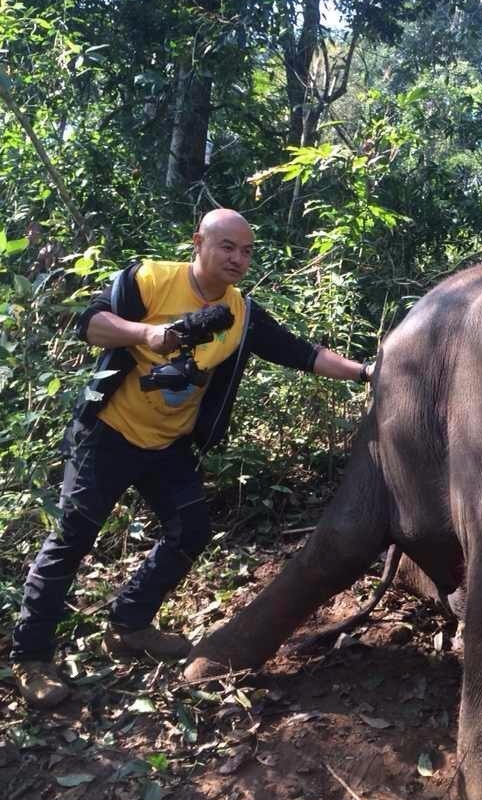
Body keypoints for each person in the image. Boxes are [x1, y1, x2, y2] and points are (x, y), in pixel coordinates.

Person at [10, 209, 372, 708]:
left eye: (246, 251)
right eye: (228, 247)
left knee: (191, 530)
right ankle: (30, 658)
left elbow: (301, 353)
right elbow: (88, 323)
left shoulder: (241, 312)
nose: (238, 259)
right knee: (73, 539)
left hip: (167, 445)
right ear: (198, 242)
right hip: (108, 435)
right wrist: (146, 334)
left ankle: (129, 625)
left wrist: (367, 372)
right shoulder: (149, 279)